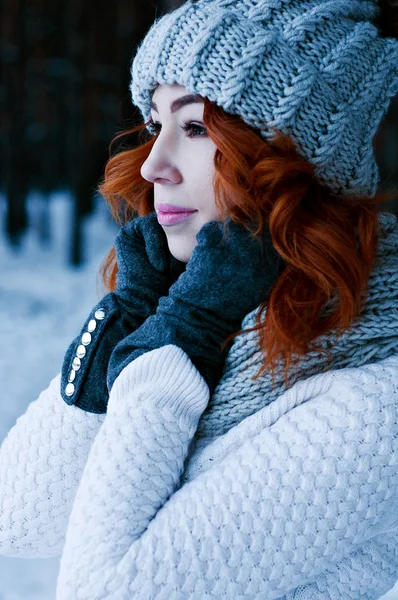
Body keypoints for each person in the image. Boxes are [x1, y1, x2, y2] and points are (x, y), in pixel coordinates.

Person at [1, 0, 398, 598]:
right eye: (155, 124)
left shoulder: (376, 405)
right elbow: (18, 517)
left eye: (195, 129)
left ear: (292, 162)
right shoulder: (222, 315)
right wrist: (131, 320)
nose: (155, 163)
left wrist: (181, 334)